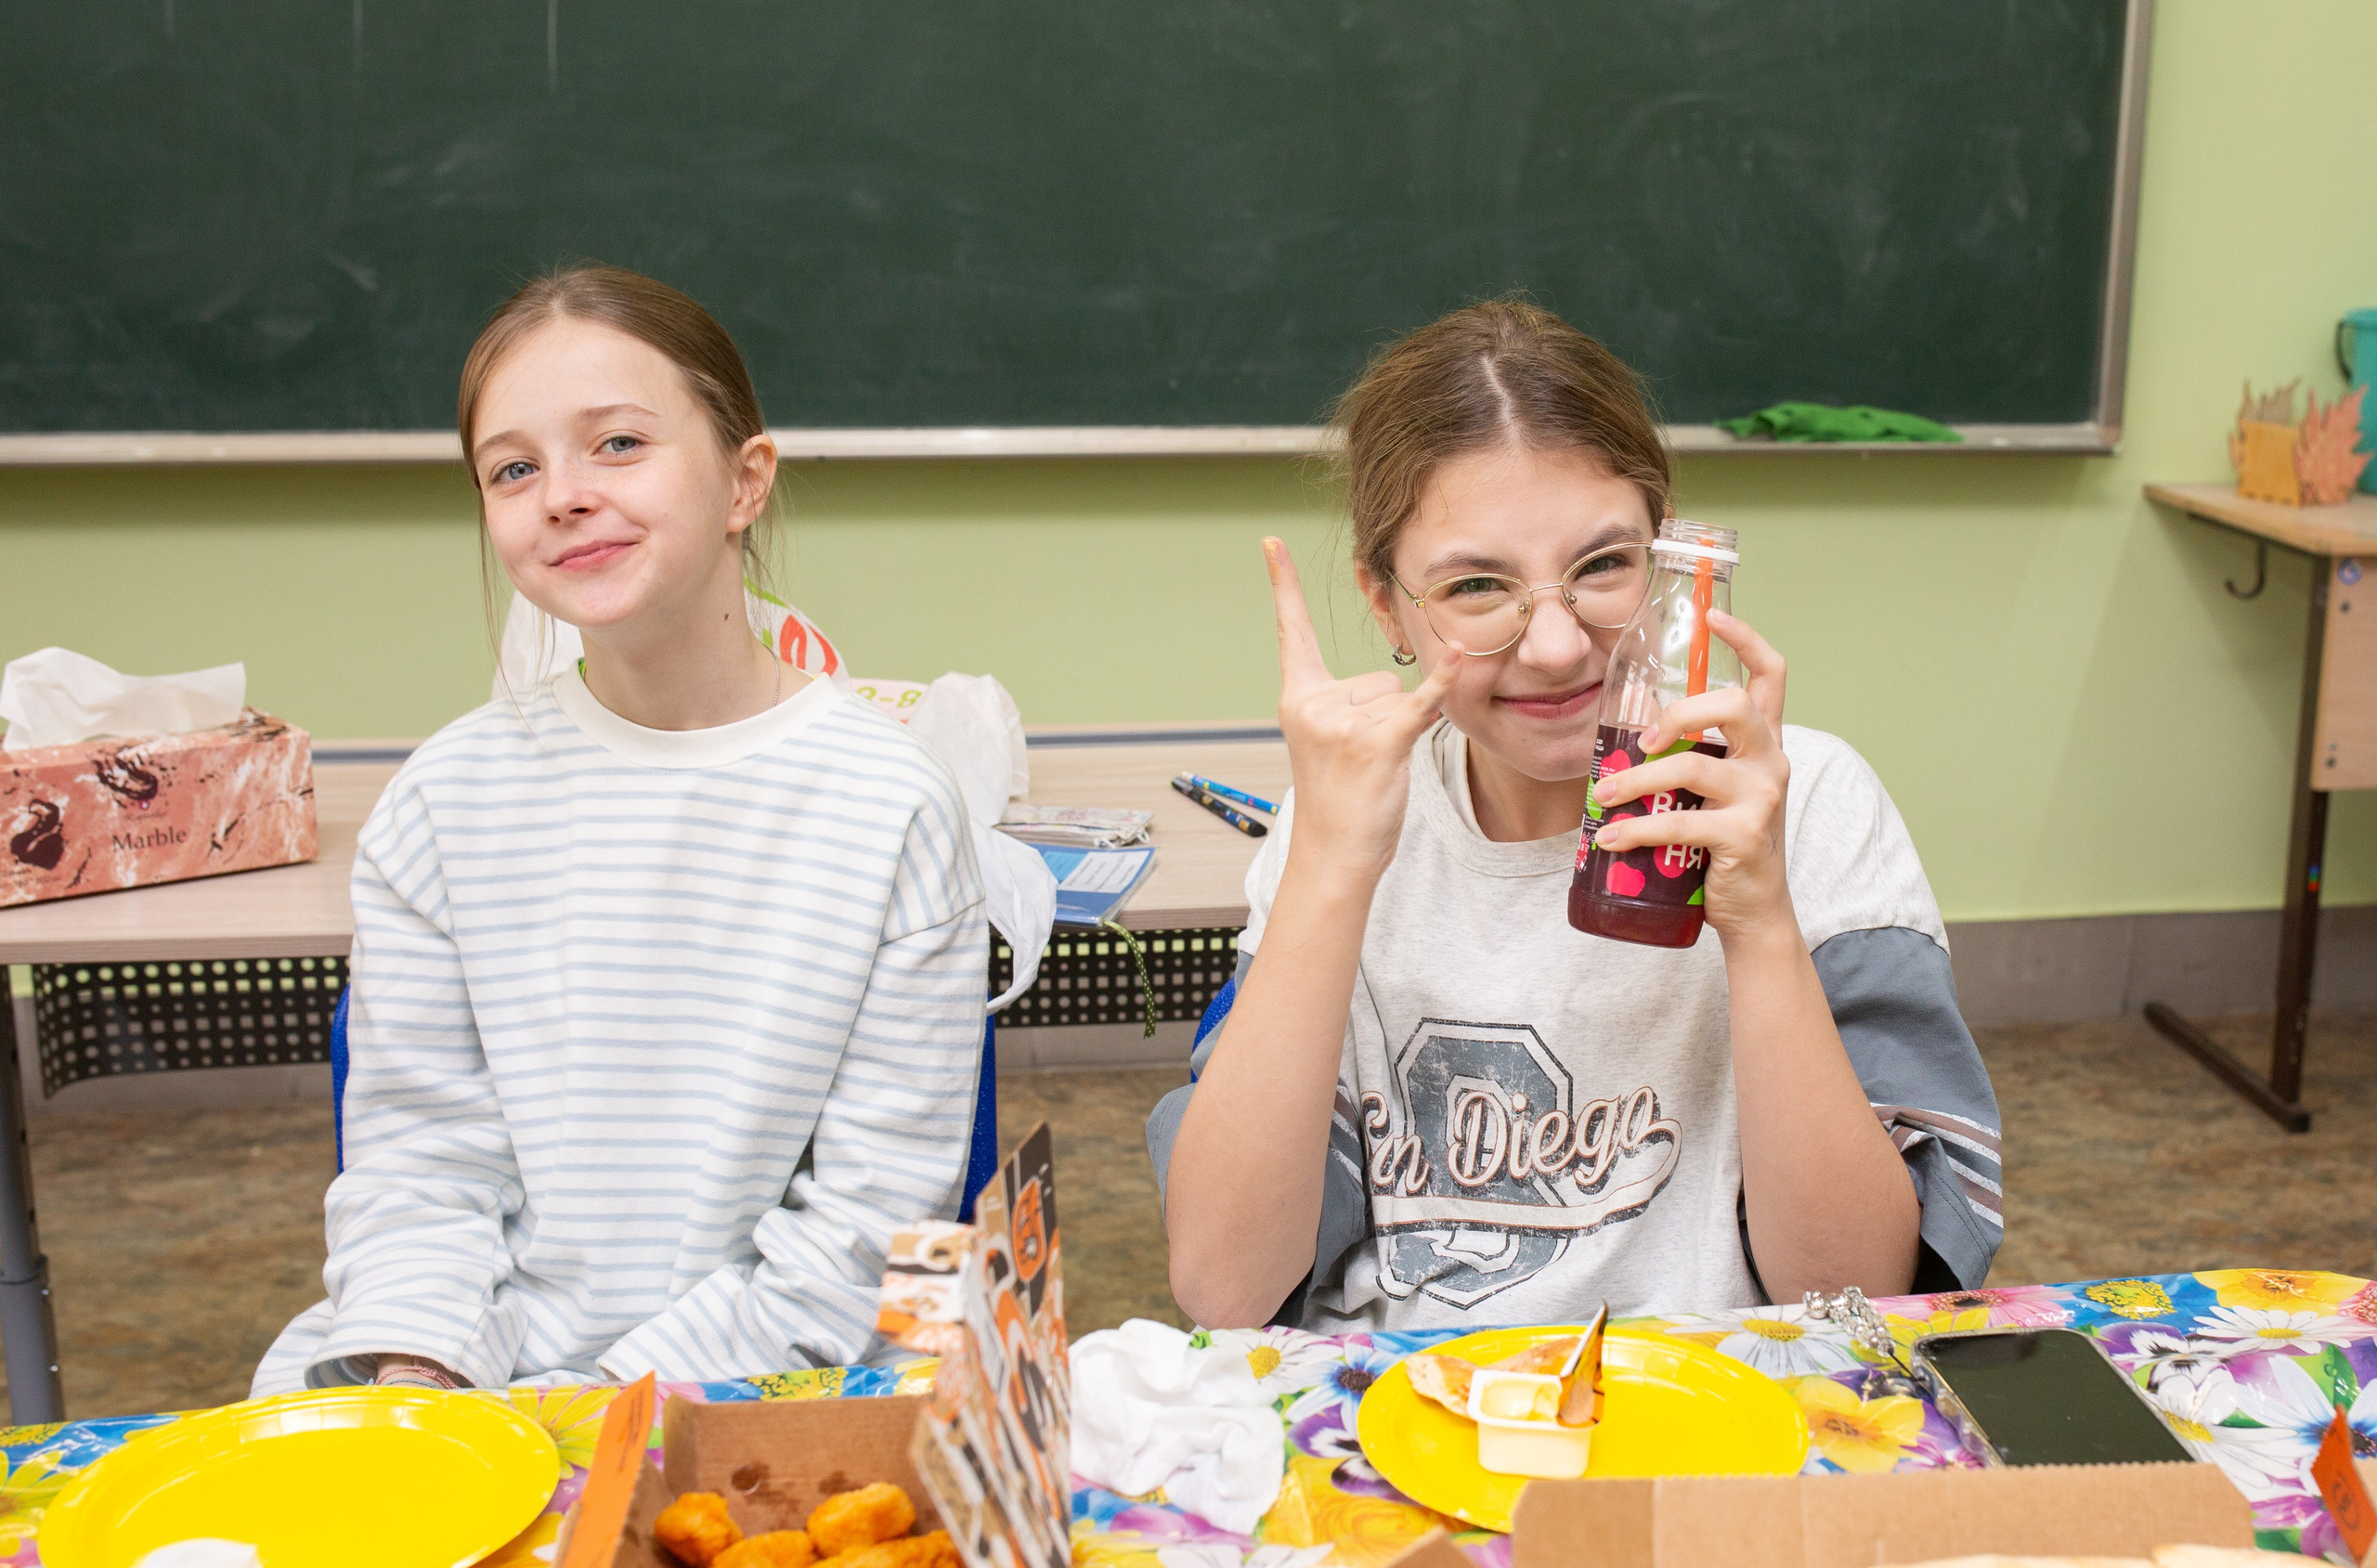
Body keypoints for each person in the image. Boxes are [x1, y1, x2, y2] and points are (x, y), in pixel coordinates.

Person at [1151, 300, 2000, 1332]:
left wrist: (1761, 923)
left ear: (1670, 556)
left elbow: (1861, 1296)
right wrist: (1329, 870)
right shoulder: (1340, 822)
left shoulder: (1806, 803)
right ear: (1387, 608)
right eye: (1475, 585)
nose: (1554, 644)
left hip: (1715, 1409)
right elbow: (1225, 1289)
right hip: (1402, 1410)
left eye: (1603, 566)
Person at [253, 266, 987, 1393]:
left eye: (618, 444)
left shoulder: (888, 803)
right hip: (480, 1372)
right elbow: (420, 1170)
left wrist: (609, 1413)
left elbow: (866, 1233)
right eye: (513, 468)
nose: (562, 494)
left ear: (746, 481)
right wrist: (422, 1375)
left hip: (782, 1374)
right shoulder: (445, 800)